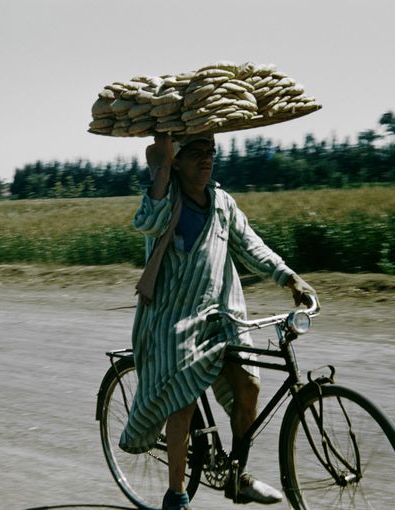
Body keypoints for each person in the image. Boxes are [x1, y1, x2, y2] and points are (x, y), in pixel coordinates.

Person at [119, 133, 318, 510]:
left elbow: (251, 246)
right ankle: (176, 495)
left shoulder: (222, 204)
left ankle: (237, 476)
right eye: (196, 153)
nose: (206, 160)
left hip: (222, 316)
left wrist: (290, 279)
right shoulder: (167, 200)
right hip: (173, 320)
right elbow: (145, 221)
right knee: (183, 397)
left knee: (248, 388)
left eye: (211, 152)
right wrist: (159, 167)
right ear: (178, 161)